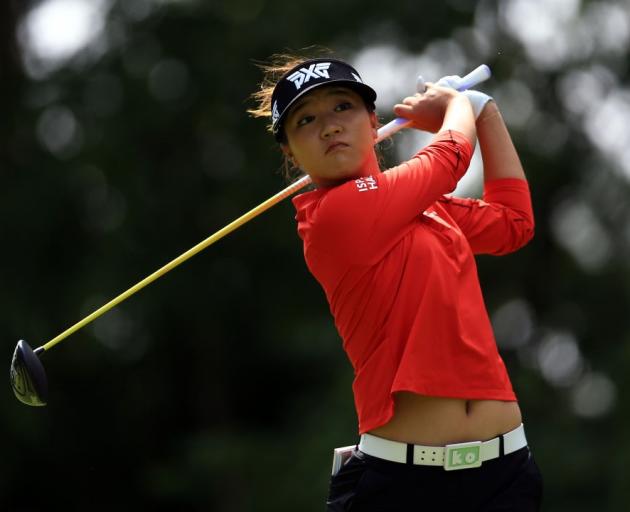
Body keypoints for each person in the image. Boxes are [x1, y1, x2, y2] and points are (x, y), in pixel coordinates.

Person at [249, 52, 542, 511]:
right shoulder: (331, 218)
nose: (329, 126)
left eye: (342, 107)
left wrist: (484, 109)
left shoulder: (427, 208)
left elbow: (513, 223)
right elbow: (449, 158)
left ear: (372, 121)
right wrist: (454, 106)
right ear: (289, 151)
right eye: (306, 119)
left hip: (506, 473)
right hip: (403, 486)